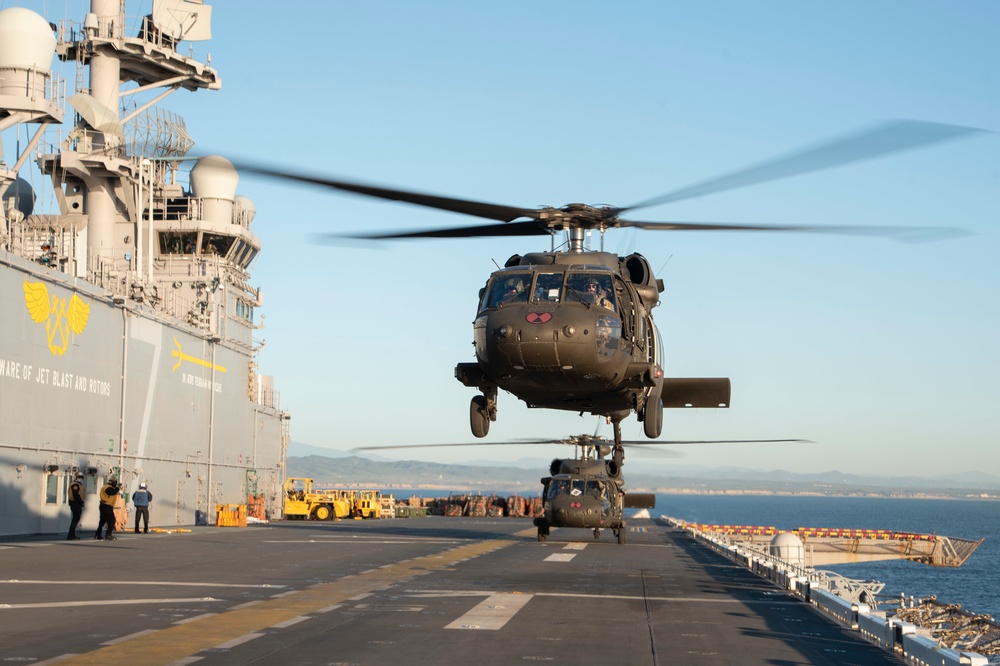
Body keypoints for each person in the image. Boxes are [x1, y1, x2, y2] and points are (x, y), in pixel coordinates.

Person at [67, 473, 86, 540]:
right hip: (75, 503)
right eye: (79, 477)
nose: (81, 478)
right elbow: (76, 495)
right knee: (75, 519)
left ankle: (72, 535)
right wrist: (81, 502)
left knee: (76, 519)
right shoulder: (75, 485)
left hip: (76, 503)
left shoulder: (78, 484)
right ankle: (71, 535)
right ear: (76, 477)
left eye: (82, 477)